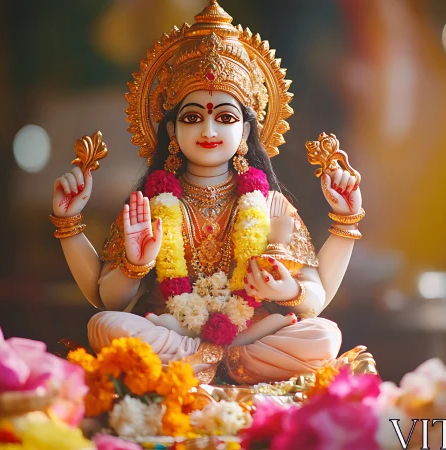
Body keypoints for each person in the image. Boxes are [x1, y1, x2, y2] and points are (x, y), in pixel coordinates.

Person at [49, 1, 364, 384]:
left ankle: (201, 363)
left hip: (247, 329)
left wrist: (290, 288)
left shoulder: (267, 204)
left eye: (226, 118)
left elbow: (314, 301)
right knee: (106, 326)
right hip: (169, 327)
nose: (209, 131)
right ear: (171, 132)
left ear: (246, 132)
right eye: (193, 117)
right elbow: (108, 299)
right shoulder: (150, 204)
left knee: (323, 336)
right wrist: (130, 262)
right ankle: (222, 360)